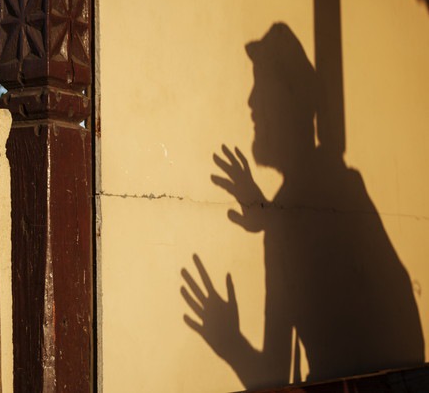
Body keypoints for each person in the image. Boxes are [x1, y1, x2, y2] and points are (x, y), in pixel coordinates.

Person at [181, 23, 424, 389]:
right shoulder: (338, 186)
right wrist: (270, 218)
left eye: (262, 85)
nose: (250, 101)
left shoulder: (303, 211)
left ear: (292, 100)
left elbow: (274, 376)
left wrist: (229, 341)